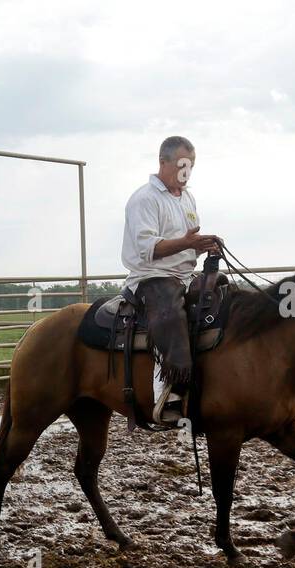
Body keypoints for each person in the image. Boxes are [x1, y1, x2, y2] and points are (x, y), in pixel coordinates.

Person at [120, 135, 221, 425]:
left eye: (190, 166)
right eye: (181, 166)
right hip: (152, 277)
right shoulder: (144, 199)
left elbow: (186, 241)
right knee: (170, 314)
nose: (186, 173)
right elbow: (148, 248)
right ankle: (168, 396)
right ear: (163, 163)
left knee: (221, 295)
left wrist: (204, 245)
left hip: (184, 275)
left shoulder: (188, 198)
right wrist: (188, 242)